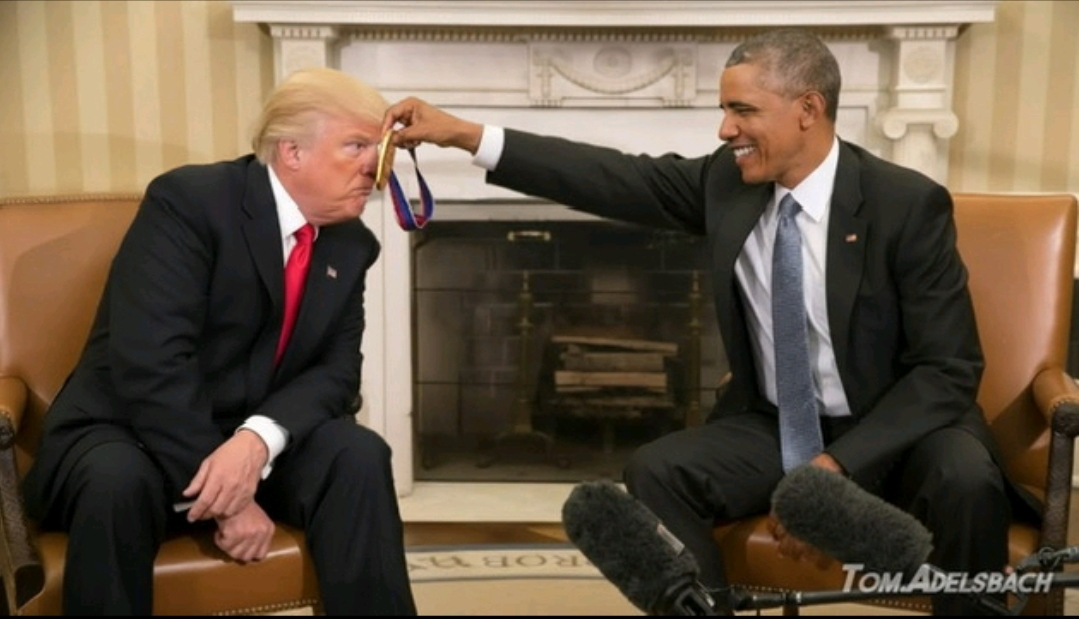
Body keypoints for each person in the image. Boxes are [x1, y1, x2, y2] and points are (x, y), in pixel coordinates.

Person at [382, 28, 1039, 616]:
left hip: (901, 428)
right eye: (724, 110)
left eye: (742, 110)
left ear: (807, 109)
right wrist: (464, 134)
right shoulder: (725, 185)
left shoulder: (905, 204)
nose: (725, 129)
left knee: (963, 479)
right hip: (777, 424)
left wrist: (836, 465)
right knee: (656, 471)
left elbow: (947, 369)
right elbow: (607, 176)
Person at [21, 67, 417, 616]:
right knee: (117, 482)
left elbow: (336, 374)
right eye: (357, 145)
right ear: (292, 152)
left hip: (248, 440)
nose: (376, 166)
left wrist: (256, 442)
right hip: (133, 432)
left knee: (357, 455)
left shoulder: (352, 244)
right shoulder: (190, 202)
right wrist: (229, 501)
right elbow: (150, 363)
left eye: (380, 149)